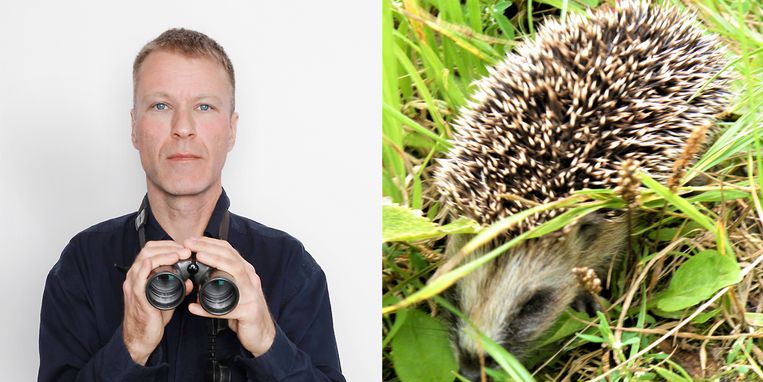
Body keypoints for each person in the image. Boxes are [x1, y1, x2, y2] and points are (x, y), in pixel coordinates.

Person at [38, 28, 345, 381]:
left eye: (204, 106)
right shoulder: (82, 264)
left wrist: (268, 342)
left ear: (231, 130)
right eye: (161, 105)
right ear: (135, 128)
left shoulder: (289, 265)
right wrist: (131, 345)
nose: (183, 128)